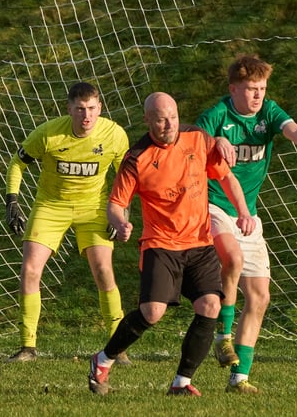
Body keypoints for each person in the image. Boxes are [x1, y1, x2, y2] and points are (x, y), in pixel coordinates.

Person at [88, 92, 256, 397]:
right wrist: (120, 222)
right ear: (148, 120)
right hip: (160, 244)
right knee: (152, 312)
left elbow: (226, 177)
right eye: (162, 118)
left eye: (174, 116)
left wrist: (243, 212)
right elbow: (116, 203)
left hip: (199, 242)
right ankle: (103, 360)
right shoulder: (136, 157)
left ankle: (181, 382)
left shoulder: (197, 138)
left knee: (210, 306)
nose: (169, 124)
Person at [195, 55, 297, 393]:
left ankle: (239, 377)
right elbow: (193, 136)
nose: (257, 95)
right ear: (233, 89)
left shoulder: (268, 112)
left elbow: (294, 130)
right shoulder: (219, 113)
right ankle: (222, 335)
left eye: (261, 89)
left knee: (260, 297)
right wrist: (215, 140)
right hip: (214, 206)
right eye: (250, 89)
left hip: (249, 214)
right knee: (232, 258)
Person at [4, 81, 130, 364]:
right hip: (51, 205)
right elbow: (17, 163)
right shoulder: (48, 134)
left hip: (94, 208)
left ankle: (118, 345)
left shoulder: (114, 135)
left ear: (100, 108)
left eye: (92, 109)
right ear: (69, 109)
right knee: (30, 269)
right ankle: (27, 347)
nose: (87, 116)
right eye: (80, 109)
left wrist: (121, 212)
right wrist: (12, 201)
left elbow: (126, 175)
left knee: (103, 269)